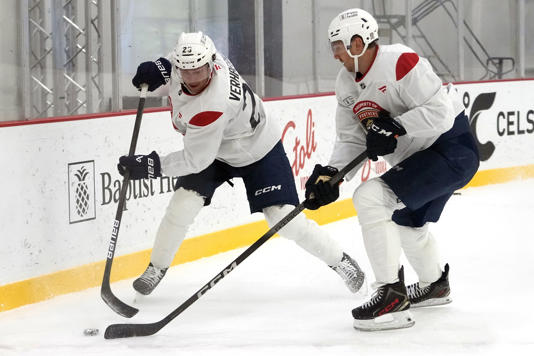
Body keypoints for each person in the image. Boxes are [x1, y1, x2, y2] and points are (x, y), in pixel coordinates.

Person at [118, 31, 367, 298]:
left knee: (286, 221)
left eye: (199, 72)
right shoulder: (198, 58)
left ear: (212, 65)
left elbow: (196, 160)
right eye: (185, 72)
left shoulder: (213, 103)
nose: (192, 80)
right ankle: (157, 267)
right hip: (218, 149)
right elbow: (183, 56)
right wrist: (160, 67)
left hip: (258, 149)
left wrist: (152, 166)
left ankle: (340, 261)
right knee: (182, 204)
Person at [304, 9, 479, 331]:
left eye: (338, 45)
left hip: (451, 149)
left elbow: (440, 114)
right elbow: (352, 137)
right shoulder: (346, 82)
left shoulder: (400, 61)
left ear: (358, 42)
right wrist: (332, 174)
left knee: (371, 197)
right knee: (405, 222)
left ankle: (391, 298)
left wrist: (396, 126)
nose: (334, 53)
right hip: (418, 159)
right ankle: (434, 285)